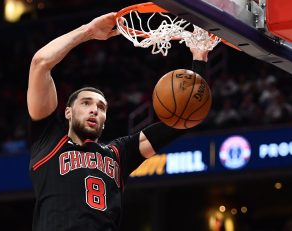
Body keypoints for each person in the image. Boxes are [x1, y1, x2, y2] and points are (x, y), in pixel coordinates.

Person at [27, 12, 210, 231]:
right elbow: (40, 63)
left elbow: (186, 118)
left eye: (101, 107)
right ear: (68, 112)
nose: (94, 110)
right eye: (86, 103)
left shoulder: (118, 153)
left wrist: (199, 59)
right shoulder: (48, 141)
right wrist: (88, 31)